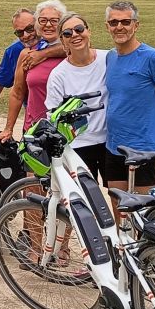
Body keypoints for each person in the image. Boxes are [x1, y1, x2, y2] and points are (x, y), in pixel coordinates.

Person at [103, 1, 155, 205]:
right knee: (119, 207)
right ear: (107, 26)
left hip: (142, 147)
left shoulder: (152, 58)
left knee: (140, 210)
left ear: (135, 25)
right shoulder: (110, 57)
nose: (119, 27)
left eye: (125, 21)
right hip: (114, 145)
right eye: (114, 22)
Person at [44, 13, 108, 184]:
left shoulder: (108, 59)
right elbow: (53, 114)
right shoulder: (59, 74)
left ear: (89, 31)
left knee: (119, 199)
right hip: (78, 144)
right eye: (67, 33)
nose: (75, 35)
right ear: (62, 41)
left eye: (79, 29)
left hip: (110, 140)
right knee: (86, 200)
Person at [0, 0, 68, 145]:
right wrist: (8, 129)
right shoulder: (27, 54)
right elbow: (17, 93)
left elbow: (76, 48)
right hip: (35, 128)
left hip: (68, 130)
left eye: (54, 21)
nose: (48, 25)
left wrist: (44, 54)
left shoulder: (74, 49)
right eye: (42, 21)